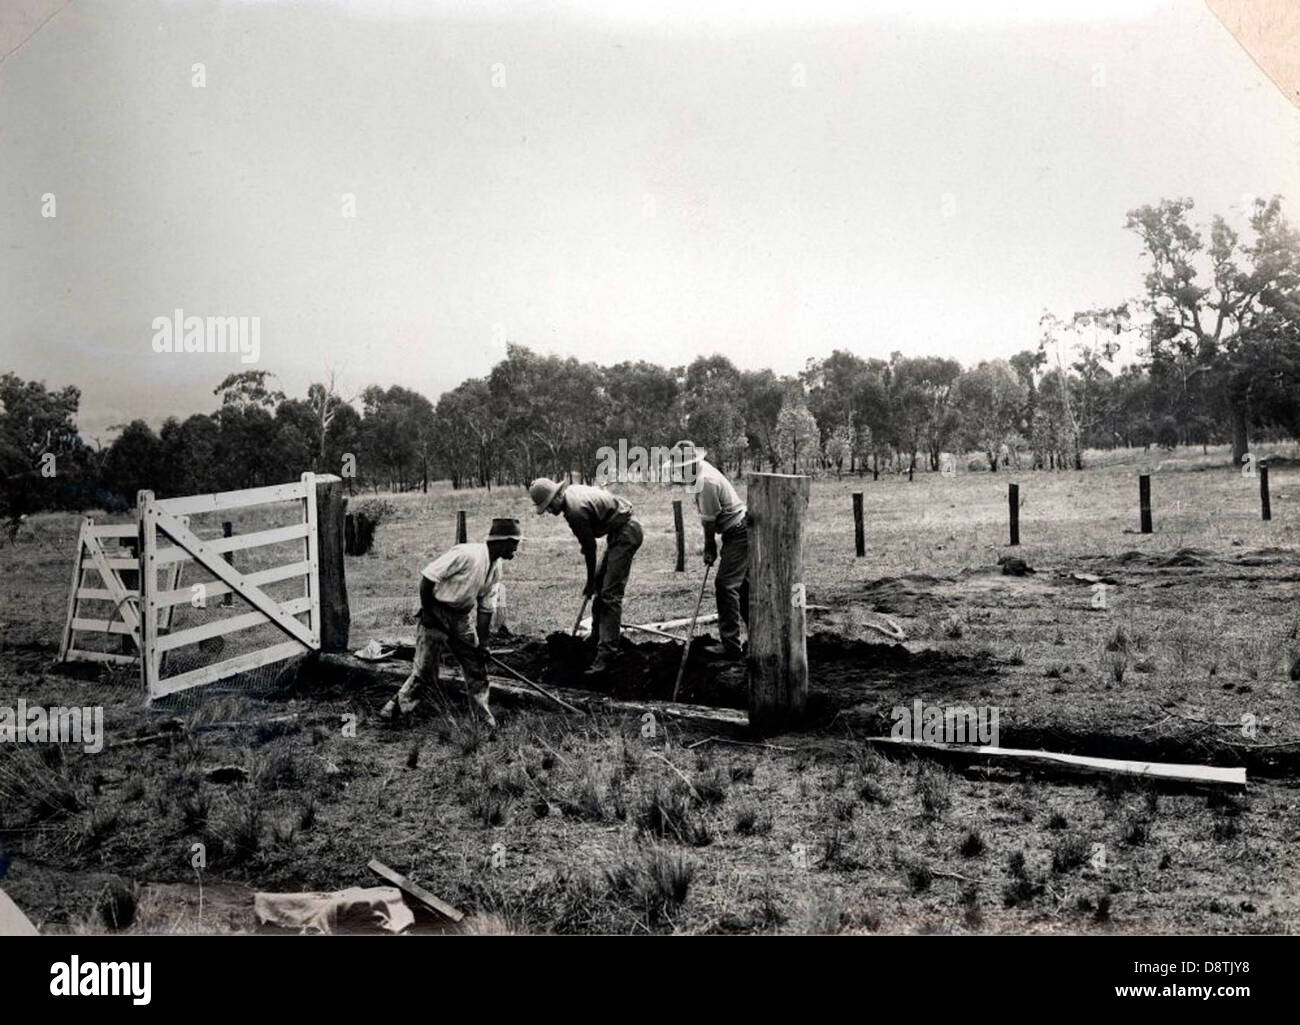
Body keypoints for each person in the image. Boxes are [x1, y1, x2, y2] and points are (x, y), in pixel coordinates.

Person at [378, 517, 522, 727]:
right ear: (502, 541)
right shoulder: (466, 554)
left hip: (461, 617)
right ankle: (397, 710)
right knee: (426, 670)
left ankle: (482, 718)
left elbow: (485, 608)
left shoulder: (496, 566)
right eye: (514, 544)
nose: (515, 549)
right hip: (436, 610)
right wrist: (428, 612)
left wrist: (483, 644)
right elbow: (428, 577)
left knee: (476, 665)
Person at [529, 476, 643, 676]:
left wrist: (590, 581)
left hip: (626, 532)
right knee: (601, 586)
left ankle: (607, 653)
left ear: (556, 497)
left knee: (609, 594)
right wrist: (593, 581)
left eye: (547, 506)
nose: (548, 510)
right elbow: (588, 542)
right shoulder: (572, 494)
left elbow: (590, 549)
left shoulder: (574, 511)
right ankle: (596, 638)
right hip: (618, 530)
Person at [669, 440, 748, 660]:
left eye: (682, 467)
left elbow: (709, 523)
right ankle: (759, 636)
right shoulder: (699, 476)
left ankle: (731, 646)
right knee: (742, 588)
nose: (680, 471)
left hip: (739, 533)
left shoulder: (705, 482)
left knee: (725, 585)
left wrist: (709, 548)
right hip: (736, 531)